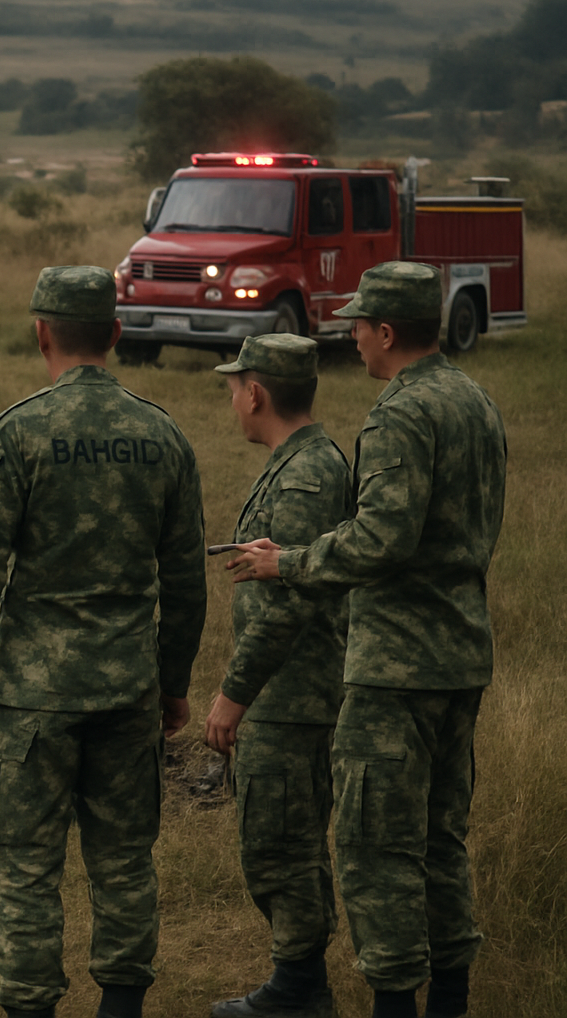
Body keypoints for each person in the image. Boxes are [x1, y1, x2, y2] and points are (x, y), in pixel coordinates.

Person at [225, 262, 507, 1018]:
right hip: (460, 656)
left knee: (376, 847)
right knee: (441, 840)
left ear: (386, 332)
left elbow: (383, 539)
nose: (349, 337)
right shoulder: (476, 401)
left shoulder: (400, 412)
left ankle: (394, 1004)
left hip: (395, 668)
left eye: (357, 325)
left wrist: (290, 563)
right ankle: (450, 999)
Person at [0, 266, 207, 1018]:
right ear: (117, 334)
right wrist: (174, 681)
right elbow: (187, 581)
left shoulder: (17, 434)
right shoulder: (163, 436)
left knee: (25, 868)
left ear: (40, 333)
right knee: (124, 862)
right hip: (128, 691)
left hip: (31, 699)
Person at [202, 334, 354, 1018]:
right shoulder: (299, 461)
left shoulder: (305, 475)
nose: (232, 401)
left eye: (235, 388)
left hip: (291, 696)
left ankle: (299, 990)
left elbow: (288, 605)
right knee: (281, 836)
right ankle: (299, 979)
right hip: (288, 692)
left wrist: (233, 696)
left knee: (281, 841)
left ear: (256, 393)